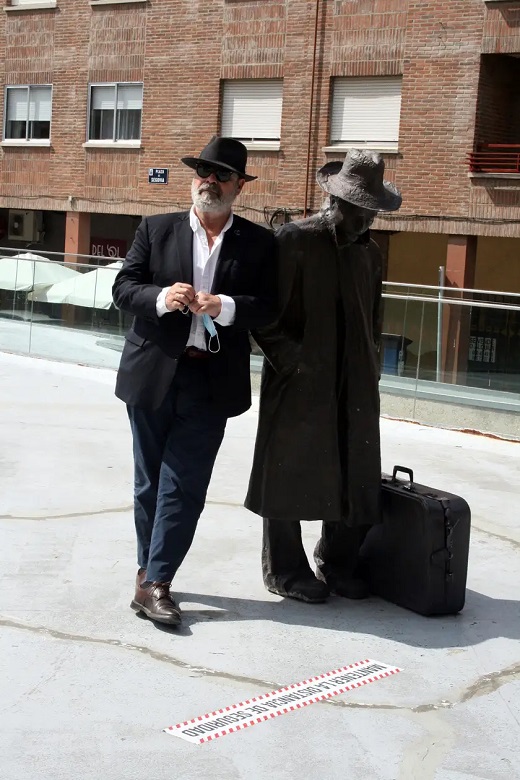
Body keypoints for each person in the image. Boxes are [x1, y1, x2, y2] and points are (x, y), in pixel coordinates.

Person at [113, 136, 277, 625]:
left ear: (239, 186)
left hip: (211, 379)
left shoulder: (259, 243)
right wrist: (163, 297)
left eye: (221, 174)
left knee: (183, 485)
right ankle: (151, 576)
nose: (210, 180)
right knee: (149, 484)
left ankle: (156, 582)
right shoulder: (155, 228)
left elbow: (269, 307)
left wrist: (223, 306)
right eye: (203, 171)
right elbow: (124, 288)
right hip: (152, 373)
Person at [245, 149, 402, 604]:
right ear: (339, 201)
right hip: (299, 380)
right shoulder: (295, 239)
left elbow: (374, 317)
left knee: (357, 472)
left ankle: (336, 560)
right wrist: (291, 361)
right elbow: (262, 312)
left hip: (354, 380)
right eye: (361, 210)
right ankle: (285, 569)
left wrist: (371, 365)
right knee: (288, 472)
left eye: (373, 211)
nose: (368, 220)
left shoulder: (369, 254)